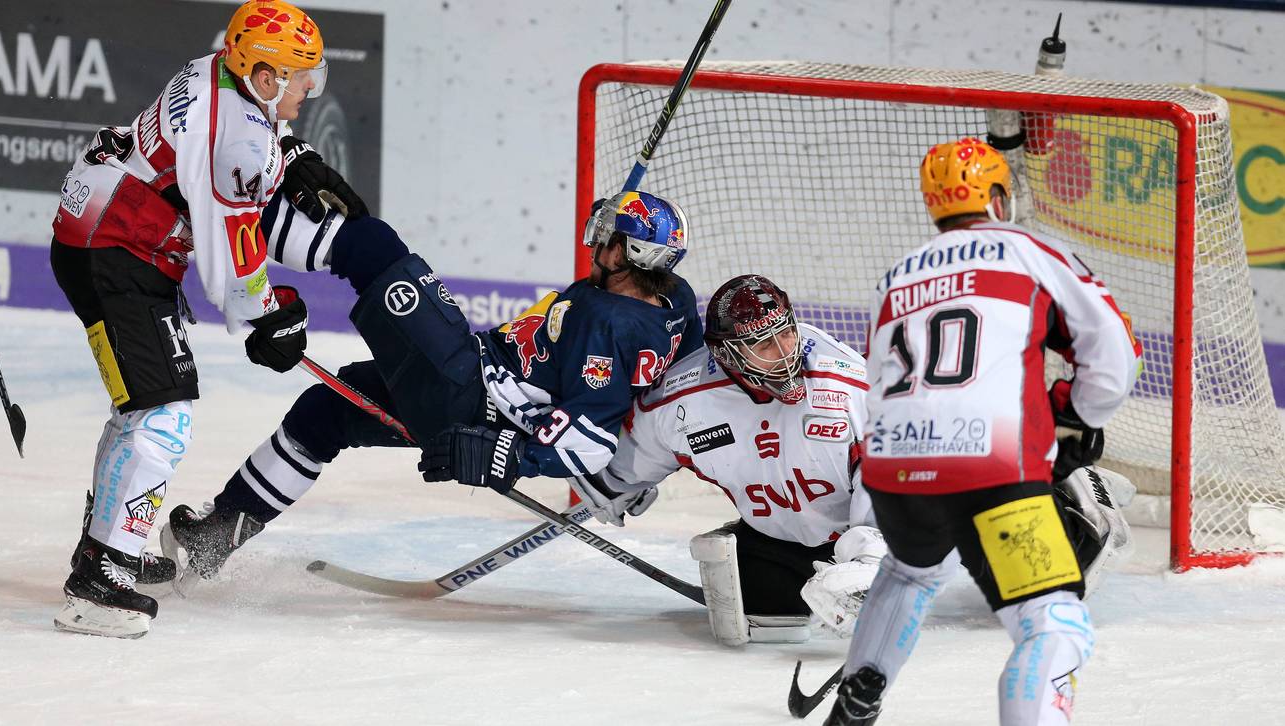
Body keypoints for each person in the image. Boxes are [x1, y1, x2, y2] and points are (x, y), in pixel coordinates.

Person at [160, 191, 703, 594]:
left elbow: (587, 438)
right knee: (325, 410)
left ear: (634, 256)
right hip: (474, 384)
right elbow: (673, 386)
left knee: (369, 245)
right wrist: (639, 469)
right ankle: (216, 537)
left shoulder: (605, 323)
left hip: (464, 392)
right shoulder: (675, 302)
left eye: (609, 238)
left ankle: (215, 202)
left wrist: (512, 456)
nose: (595, 241)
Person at [50, 0, 365, 639]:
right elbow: (230, 261)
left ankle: (108, 550)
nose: (312, 85)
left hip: (109, 237)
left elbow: (224, 151)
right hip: (115, 252)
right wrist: (266, 317)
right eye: (301, 75)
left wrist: (293, 152)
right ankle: (98, 579)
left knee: (141, 408)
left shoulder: (221, 69)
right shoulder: (239, 137)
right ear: (265, 76)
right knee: (161, 415)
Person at [823, 138, 1141, 726]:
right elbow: (1114, 354)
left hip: (893, 472)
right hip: (991, 470)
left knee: (907, 571)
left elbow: (876, 387)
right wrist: (1075, 417)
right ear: (997, 197)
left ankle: (857, 697)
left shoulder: (898, 275)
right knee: (1051, 624)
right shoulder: (1031, 250)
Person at [572, 273, 887, 646]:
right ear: (725, 353)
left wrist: (870, 565)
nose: (784, 350)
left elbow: (894, 481)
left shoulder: (850, 388)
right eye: (763, 344)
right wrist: (610, 484)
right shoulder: (684, 400)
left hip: (874, 530)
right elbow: (628, 459)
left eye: (786, 332)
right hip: (779, 541)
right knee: (767, 618)